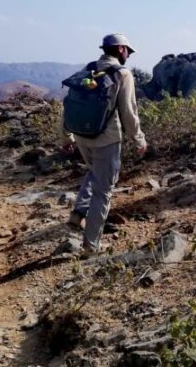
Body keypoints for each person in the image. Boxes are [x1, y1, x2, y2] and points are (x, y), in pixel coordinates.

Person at [62, 33, 147, 254]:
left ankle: (78, 213)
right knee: (103, 191)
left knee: (94, 172)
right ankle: (91, 246)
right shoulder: (122, 74)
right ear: (120, 49)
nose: (128, 54)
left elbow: (71, 103)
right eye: (127, 50)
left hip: (81, 135)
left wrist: (65, 136)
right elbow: (128, 111)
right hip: (106, 139)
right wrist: (138, 138)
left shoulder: (90, 69)